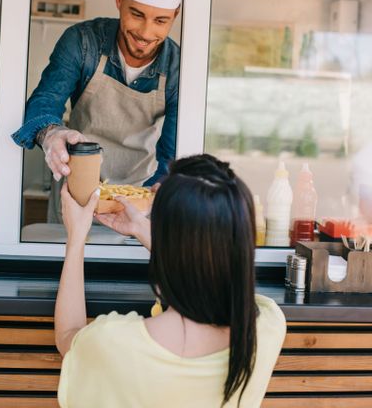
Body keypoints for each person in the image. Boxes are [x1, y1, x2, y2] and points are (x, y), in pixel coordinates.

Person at [55, 154, 286, 407]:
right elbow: (215, 276)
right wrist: (145, 230)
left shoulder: (114, 343)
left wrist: (76, 236)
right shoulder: (267, 327)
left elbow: (68, 336)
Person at [12, 0, 185, 223]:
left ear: (175, 15)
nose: (145, 32)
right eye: (136, 14)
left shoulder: (177, 67)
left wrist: (158, 190)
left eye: (160, 21)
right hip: (75, 194)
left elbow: (171, 154)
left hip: (137, 198)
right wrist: (51, 133)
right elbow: (45, 100)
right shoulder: (83, 42)